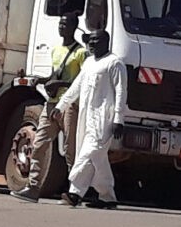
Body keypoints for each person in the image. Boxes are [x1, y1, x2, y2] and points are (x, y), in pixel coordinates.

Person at [9, 16, 87, 202]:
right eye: (60, 24)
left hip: (69, 106)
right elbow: (55, 74)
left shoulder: (81, 53)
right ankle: (33, 187)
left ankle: (73, 191)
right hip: (51, 104)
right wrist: (41, 80)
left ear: (74, 27)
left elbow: (83, 81)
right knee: (39, 144)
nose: (61, 27)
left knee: (70, 150)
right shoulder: (56, 50)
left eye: (65, 24)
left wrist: (59, 84)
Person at [59, 27, 125, 208]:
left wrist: (118, 119)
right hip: (87, 116)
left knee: (90, 151)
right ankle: (108, 197)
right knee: (98, 157)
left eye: (96, 40)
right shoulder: (88, 63)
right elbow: (76, 87)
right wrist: (60, 106)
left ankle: (74, 192)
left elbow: (121, 92)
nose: (92, 44)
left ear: (106, 42)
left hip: (105, 118)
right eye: (90, 41)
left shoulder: (114, 63)